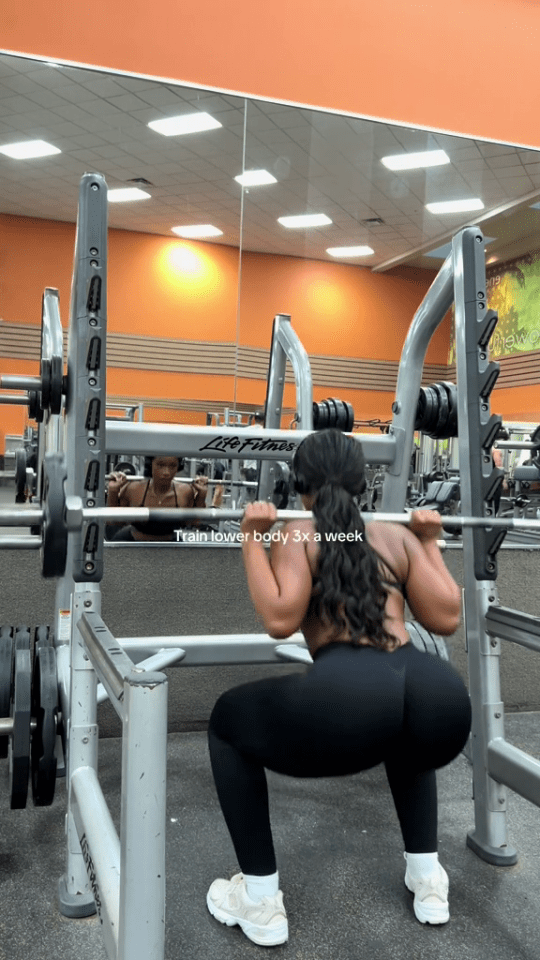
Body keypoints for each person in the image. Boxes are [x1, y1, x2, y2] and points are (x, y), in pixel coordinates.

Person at [206, 428, 471, 946]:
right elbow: (447, 615)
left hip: (350, 696)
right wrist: (431, 543)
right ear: (362, 482)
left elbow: (281, 619)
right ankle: (428, 879)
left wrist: (251, 538)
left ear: (298, 482)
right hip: (437, 694)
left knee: (226, 722)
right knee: (405, 733)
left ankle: (259, 901)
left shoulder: (299, 533)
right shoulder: (395, 536)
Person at [107, 455, 209, 541]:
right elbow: (114, 522)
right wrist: (113, 491)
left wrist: (202, 495)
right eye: (160, 465)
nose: (166, 472)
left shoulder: (185, 491)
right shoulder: (134, 489)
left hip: (169, 546)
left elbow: (194, 522)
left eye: (173, 466)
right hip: (132, 542)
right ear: (151, 465)